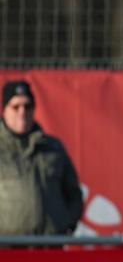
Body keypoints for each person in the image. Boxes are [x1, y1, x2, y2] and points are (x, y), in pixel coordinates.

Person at [0, 80, 83, 235]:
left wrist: (67, 224)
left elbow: (73, 193)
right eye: (15, 106)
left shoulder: (52, 148)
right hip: (6, 247)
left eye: (27, 106)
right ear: (4, 110)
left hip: (48, 245)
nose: (22, 112)